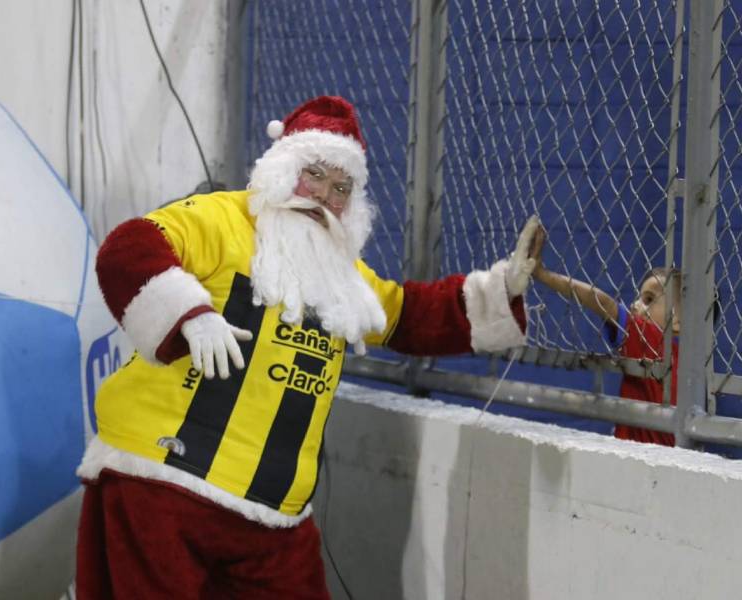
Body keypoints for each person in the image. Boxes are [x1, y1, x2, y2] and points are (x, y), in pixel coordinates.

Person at [75, 95, 540, 599]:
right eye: (314, 175)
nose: (324, 197)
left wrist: (503, 290)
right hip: (166, 483)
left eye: (341, 188)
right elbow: (130, 246)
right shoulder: (222, 217)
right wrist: (190, 313)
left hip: (273, 512)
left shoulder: (339, 273)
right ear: (283, 167)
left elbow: (408, 314)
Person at [530, 224, 680, 446]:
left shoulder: (654, 342)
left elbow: (603, 302)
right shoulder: (690, 365)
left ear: (677, 321)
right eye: (639, 297)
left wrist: (542, 274)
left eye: (648, 300)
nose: (635, 305)